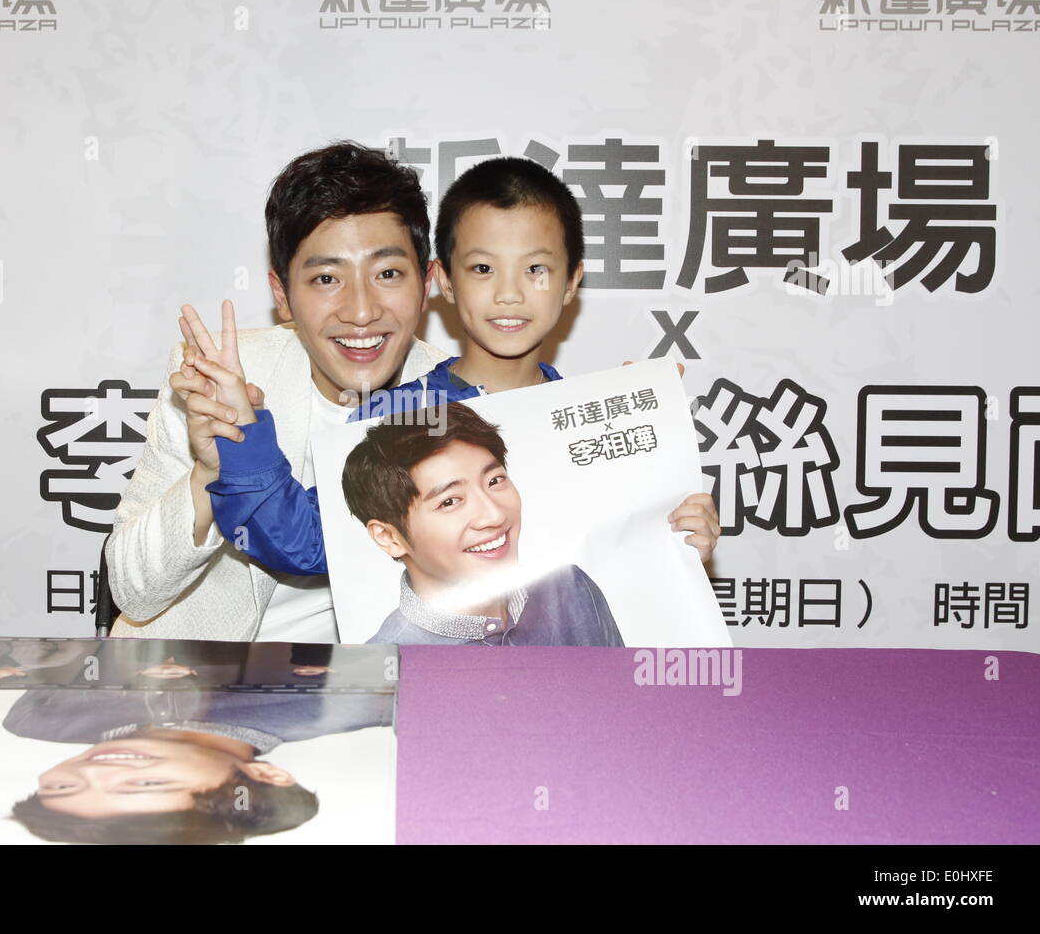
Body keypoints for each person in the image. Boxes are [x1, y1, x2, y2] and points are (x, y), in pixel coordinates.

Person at [187, 155, 719, 584]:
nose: (509, 294)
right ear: (442, 280)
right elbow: (310, 543)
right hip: (432, 679)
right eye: (483, 268)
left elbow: (616, 563)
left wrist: (674, 533)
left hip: (558, 683)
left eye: (536, 269)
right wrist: (244, 433)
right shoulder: (394, 414)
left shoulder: (589, 419)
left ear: (572, 282)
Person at [105, 141, 449, 641]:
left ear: (429, 282)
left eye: (388, 274)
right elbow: (132, 591)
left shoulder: (464, 399)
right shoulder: (216, 380)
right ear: (282, 297)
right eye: (327, 278)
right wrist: (211, 472)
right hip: (196, 683)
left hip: (372, 684)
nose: (360, 311)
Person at [341, 402, 623, 645]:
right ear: (388, 537)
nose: (494, 516)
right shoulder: (385, 667)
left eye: (494, 481)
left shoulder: (569, 589)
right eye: (450, 501)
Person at [3, 683, 393, 843]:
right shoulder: (358, 701)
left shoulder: (44, 714)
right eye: (147, 786)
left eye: (63, 786)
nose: (95, 771)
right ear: (263, 774)